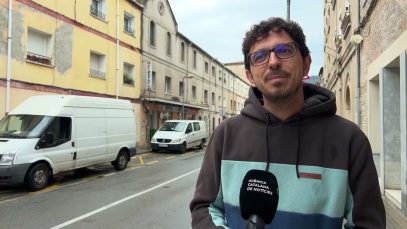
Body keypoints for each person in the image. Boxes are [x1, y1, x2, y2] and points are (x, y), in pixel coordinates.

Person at [190, 17, 385, 228]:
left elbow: (368, 223)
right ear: (250, 76)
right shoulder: (226, 135)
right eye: (260, 56)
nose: (273, 61)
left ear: (306, 64)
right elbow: (205, 207)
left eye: (284, 50)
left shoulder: (349, 140)